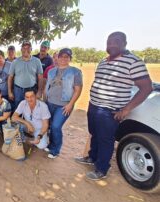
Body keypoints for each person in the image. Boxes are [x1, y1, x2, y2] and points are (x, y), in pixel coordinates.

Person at [75, 32, 153, 180]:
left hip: (110, 110)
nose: (111, 44)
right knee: (95, 134)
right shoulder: (104, 61)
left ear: (124, 43)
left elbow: (147, 88)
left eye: (116, 41)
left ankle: (102, 168)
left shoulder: (133, 62)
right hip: (94, 105)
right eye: (109, 41)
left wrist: (126, 109)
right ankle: (92, 157)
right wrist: (92, 102)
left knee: (106, 139)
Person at [44, 48, 83, 159]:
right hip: (50, 102)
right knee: (51, 125)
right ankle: (51, 144)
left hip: (64, 105)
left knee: (56, 126)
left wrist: (70, 104)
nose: (64, 59)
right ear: (58, 57)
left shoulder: (75, 72)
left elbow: (78, 89)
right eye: (62, 56)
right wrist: (45, 99)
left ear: (70, 58)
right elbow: (48, 86)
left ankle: (55, 150)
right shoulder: (51, 71)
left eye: (67, 57)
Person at [8, 41, 43, 109]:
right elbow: (10, 77)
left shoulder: (37, 61)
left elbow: (40, 78)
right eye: (24, 48)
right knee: (18, 108)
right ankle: (18, 120)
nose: (26, 50)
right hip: (18, 90)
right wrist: (9, 92)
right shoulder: (15, 62)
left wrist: (39, 91)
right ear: (21, 49)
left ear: (31, 49)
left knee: (31, 108)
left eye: (28, 48)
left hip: (32, 89)